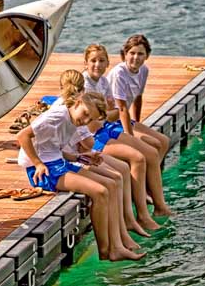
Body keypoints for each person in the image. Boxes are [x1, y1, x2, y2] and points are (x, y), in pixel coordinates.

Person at [17, 91, 145, 261]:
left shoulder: (72, 120)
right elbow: (22, 135)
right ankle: (106, 250)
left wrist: (80, 157)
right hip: (45, 170)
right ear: (77, 103)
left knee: (111, 184)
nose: (85, 121)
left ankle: (117, 245)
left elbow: (52, 147)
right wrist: (37, 163)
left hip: (58, 162)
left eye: (90, 119)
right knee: (100, 192)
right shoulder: (57, 116)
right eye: (85, 114)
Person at [83, 43, 167, 227]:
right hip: (92, 138)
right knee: (137, 158)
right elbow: (94, 122)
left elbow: (110, 114)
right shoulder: (85, 85)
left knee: (151, 152)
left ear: (107, 63)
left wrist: (104, 113)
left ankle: (159, 205)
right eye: (93, 61)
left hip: (106, 128)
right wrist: (106, 112)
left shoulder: (103, 82)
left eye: (102, 60)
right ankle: (142, 215)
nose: (97, 65)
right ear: (86, 63)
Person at [106, 35, 172, 217]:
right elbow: (120, 108)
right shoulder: (119, 73)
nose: (136, 58)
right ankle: (152, 200)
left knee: (163, 142)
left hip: (126, 117)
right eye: (132, 53)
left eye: (140, 54)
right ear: (124, 55)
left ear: (147, 56)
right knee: (150, 149)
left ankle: (146, 185)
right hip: (113, 120)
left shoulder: (143, 70)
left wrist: (138, 121)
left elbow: (138, 98)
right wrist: (130, 136)